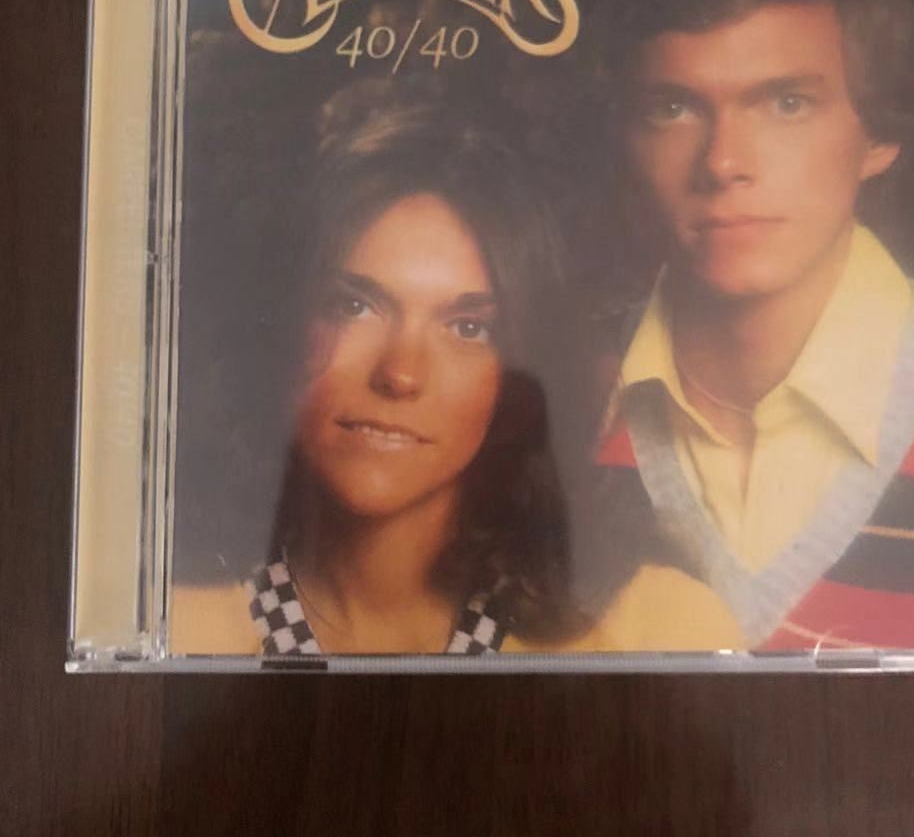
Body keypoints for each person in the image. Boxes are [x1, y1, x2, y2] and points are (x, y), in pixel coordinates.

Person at [172, 91, 741, 658]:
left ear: (520, 374)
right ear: (281, 321)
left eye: (468, 328)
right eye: (354, 306)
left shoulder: (658, 628)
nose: (401, 374)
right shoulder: (177, 624)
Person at [594, 0, 914, 651]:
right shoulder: (550, 401)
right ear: (626, 138)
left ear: (879, 134)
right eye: (673, 108)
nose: (724, 163)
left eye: (787, 103)